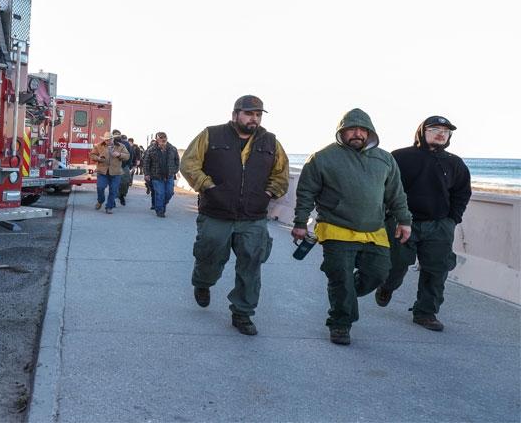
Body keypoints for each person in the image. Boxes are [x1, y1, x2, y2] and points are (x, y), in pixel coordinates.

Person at [291, 108, 412, 346]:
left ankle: (343, 296)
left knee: (378, 273)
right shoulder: (323, 158)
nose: (357, 134)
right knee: (340, 278)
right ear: (341, 132)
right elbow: (306, 192)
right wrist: (299, 223)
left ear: (370, 132)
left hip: (374, 230)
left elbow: (396, 194)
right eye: (351, 129)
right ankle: (340, 324)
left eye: (362, 130)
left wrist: (404, 221)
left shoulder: (385, 159)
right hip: (336, 228)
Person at [180, 96, 289, 335]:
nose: (254, 118)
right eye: (249, 113)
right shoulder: (211, 134)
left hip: (253, 217)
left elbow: (281, 173)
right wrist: (208, 186)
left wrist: (269, 193)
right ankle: (203, 282)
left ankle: (242, 313)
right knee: (210, 257)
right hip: (216, 213)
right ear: (235, 114)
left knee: (251, 264)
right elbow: (189, 163)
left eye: (258, 114)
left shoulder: (271, 142)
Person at [375, 116, 471, 331]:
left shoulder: (454, 162)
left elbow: (462, 191)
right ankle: (386, 286)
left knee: (437, 269)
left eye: (445, 131)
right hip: (403, 222)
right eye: (435, 129)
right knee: (396, 264)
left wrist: (452, 219)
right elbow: (384, 188)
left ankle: (426, 312)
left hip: (439, 225)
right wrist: (387, 216)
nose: (441, 133)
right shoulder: (400, 157)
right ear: (422, 131)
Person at [89, 130, 130, 214]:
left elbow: (127, 156)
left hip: (116, 172)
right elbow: (92, 155)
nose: (108, 141)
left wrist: (119, 154)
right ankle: (100, 200)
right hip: (102, 172)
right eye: (106, 140)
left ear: (113, 139)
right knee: (100, 187)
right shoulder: (98, 146)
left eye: (109, 139)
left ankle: (109, 207)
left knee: (113, 190)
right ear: (104, 139)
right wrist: (98, 158)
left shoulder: (120, 146)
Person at [142, 132, 180, 218]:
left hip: (169, 176)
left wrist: (174, 171)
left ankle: (161, 204)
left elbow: (177, 161)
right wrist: (147, 173)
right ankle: (160, 210)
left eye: (164, 138)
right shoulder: (151, 149)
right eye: (161, 138)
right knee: (160, 193)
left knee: (169, 193)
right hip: (156, 176)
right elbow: (146, 162)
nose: (163, 140)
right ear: (157, 140)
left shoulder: (173, 149)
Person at [113, 131, 134, 205]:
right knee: (114, 183)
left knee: (125, 182)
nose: (116, 136)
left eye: (118, 135)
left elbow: (130, 155)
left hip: (124, 166)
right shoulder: (109, 143)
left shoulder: (126, 144)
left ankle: (122, 195)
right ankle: (112, 200)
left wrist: (129, 165)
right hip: (113, 166)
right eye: (115, 135)